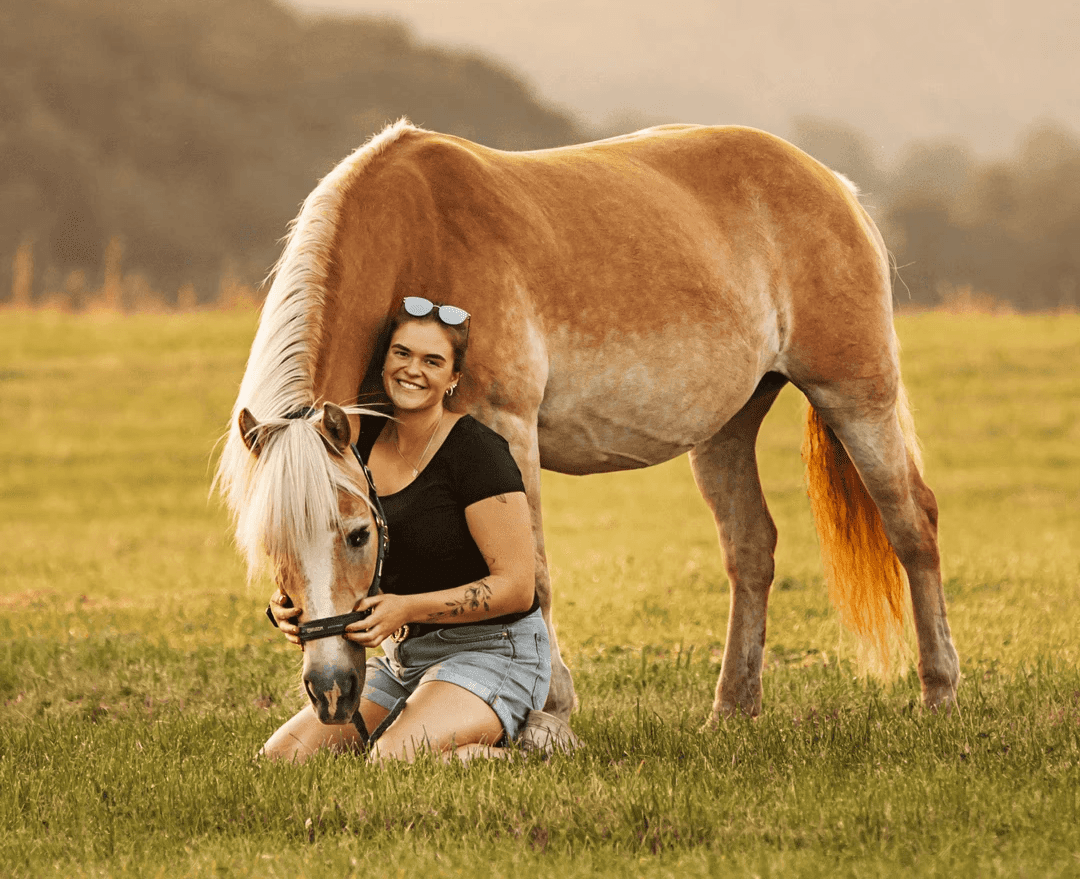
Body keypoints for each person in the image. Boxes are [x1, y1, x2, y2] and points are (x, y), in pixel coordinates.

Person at [261, 296, 573, 763]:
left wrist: (405, 608)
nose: (413, 370)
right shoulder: (355, 450)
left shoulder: (477, 454)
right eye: (402, 353)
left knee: (394, 758)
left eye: (433, 361)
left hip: (496, 650)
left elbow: (516, 588)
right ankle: (436, 717)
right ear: (385, 361)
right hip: (408, 657)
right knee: (284, 757)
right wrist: (290, 606)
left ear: (453, 379)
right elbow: (333, 549)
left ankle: (535, 750)